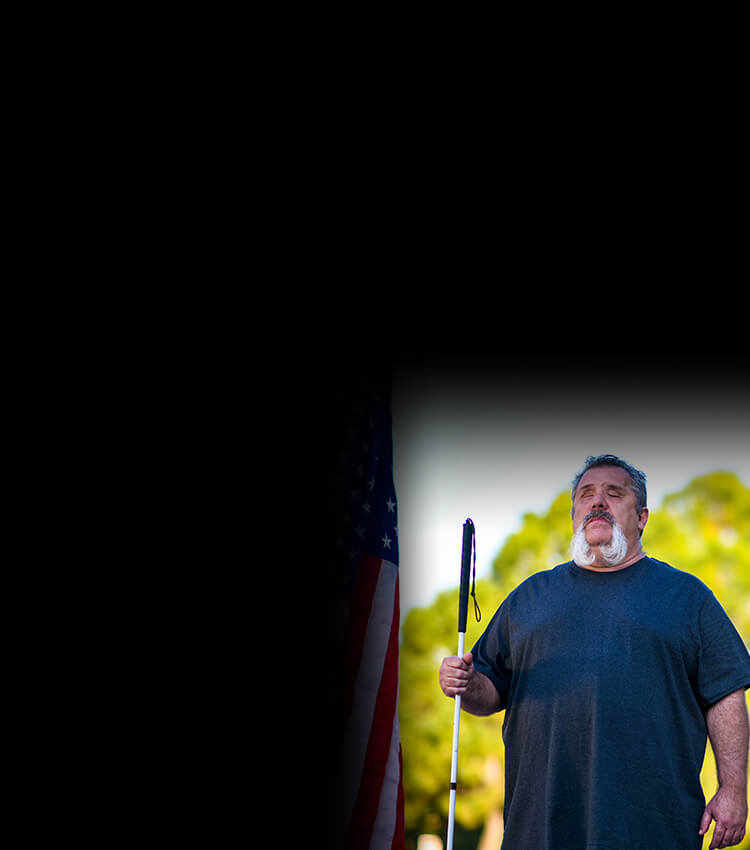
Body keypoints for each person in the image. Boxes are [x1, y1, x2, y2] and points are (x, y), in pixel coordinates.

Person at [439, 454, 750, 849]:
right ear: (574, 515)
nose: (597, 502)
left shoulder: (687, 597)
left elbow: (726, 691)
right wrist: (464, 682)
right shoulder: (528, 599)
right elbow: (488, 691)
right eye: (586, 495)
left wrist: (733, 790)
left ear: (642, 517)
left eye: (614, 493)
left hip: (653, 830)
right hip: (540, 830)